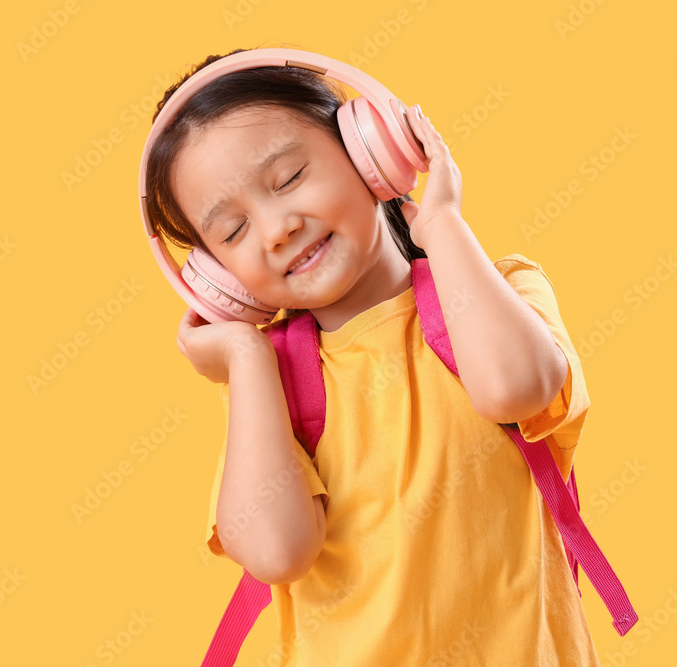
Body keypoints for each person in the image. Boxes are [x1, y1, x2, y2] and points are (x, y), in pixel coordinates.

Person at [143, 46, 601, 665]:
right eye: (232, 232)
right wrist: (245, 360)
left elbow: (514, 390)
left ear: (371, 153)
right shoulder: (272, 386)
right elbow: (277, 553)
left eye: (288, 179)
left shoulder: (506, 291)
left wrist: (440, 224)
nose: (276, 228)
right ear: (218, 280)